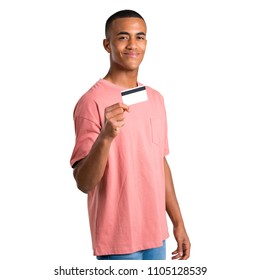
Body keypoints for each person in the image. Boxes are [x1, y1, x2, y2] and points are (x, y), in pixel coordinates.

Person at [70, 9, 190, 260]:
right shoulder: (90, 102)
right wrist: (106, 137)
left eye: (140, 37)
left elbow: (159, 161)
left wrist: (178, 221)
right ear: (107, 44)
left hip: (157, 236)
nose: (133, 45)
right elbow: (84, 183)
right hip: (118, 242)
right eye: (123, 37)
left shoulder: (155, 98)